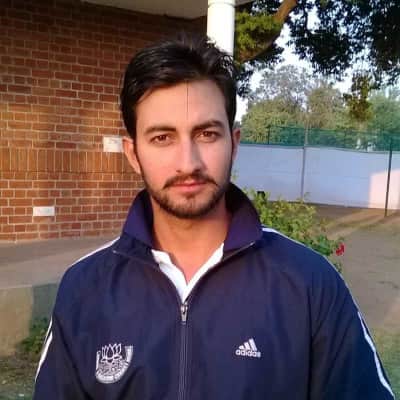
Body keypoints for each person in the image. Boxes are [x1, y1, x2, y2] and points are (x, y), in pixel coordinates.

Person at [33, 34, 394, 400]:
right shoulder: (85, 289)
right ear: (133, 153)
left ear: (234, 143)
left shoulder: (309, 283)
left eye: (206, 134)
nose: (188, 162)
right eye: (162, 138)